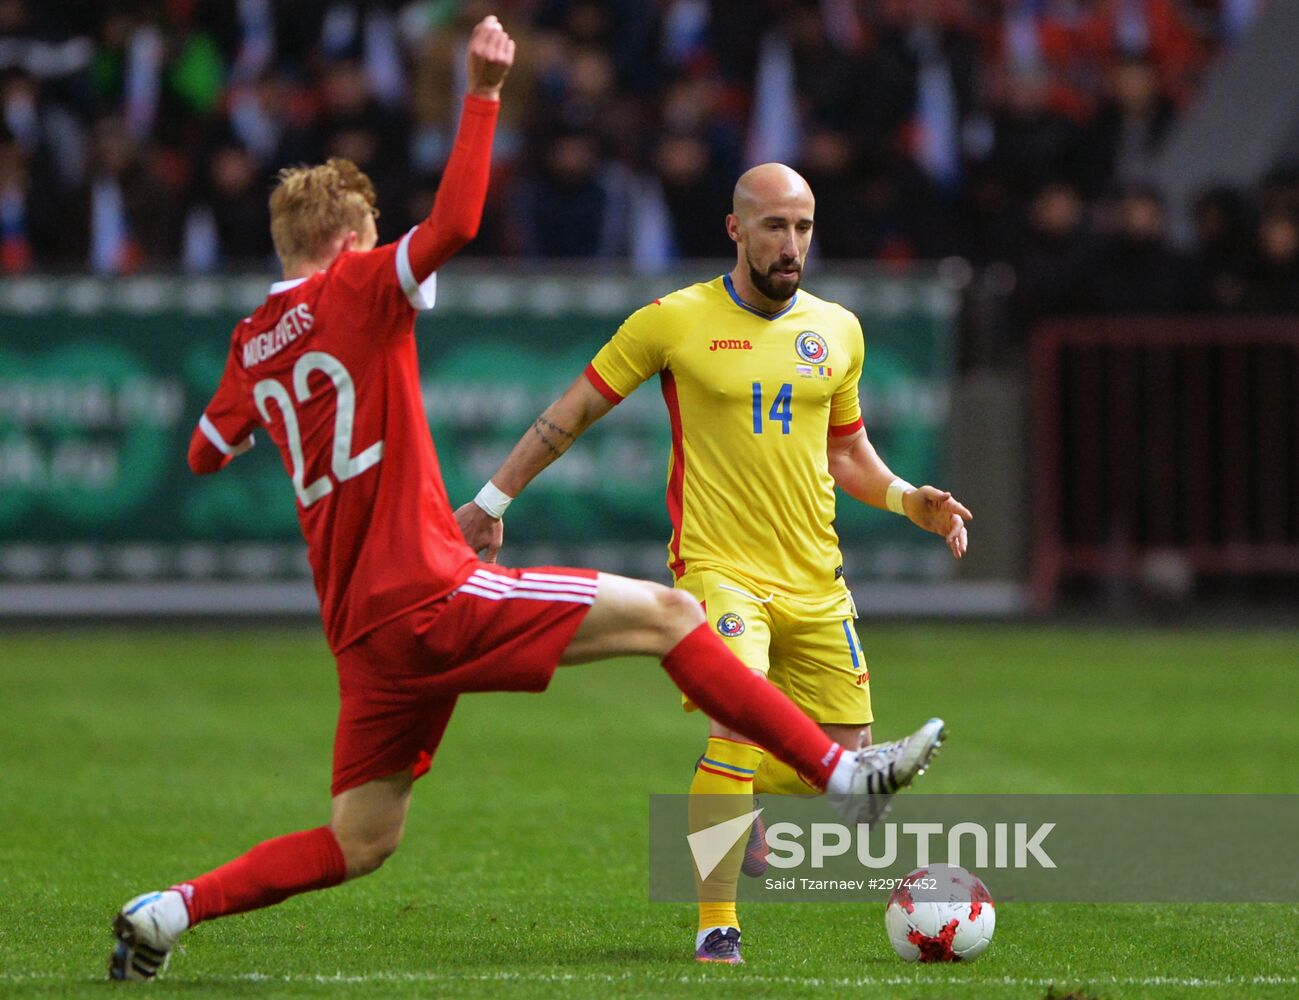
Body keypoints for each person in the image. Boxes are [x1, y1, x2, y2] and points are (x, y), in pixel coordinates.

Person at [108, 18, 945, 982]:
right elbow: (458, 224)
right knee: (671, 614)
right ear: (349, 240)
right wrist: (482, 94)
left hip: (359, 632)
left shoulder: (252, 338)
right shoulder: (359, 285)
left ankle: (167, 911)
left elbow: (206, 451)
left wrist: (263, 403)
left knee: (361, 839)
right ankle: (845, 780)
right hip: (429, 591)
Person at [456, 161, 971, 964]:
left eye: (802, 226)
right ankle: (715, 924)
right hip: (718, 568)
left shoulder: (838, 329)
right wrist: (491, 503)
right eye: (773, 226)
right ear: (735, 229)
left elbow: (849, 453)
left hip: (814, 577)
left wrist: (909, 500)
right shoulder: (671, 320)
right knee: (737, 726)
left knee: (841, 756)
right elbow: (575, 409)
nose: (790, 243)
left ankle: (733, 794)